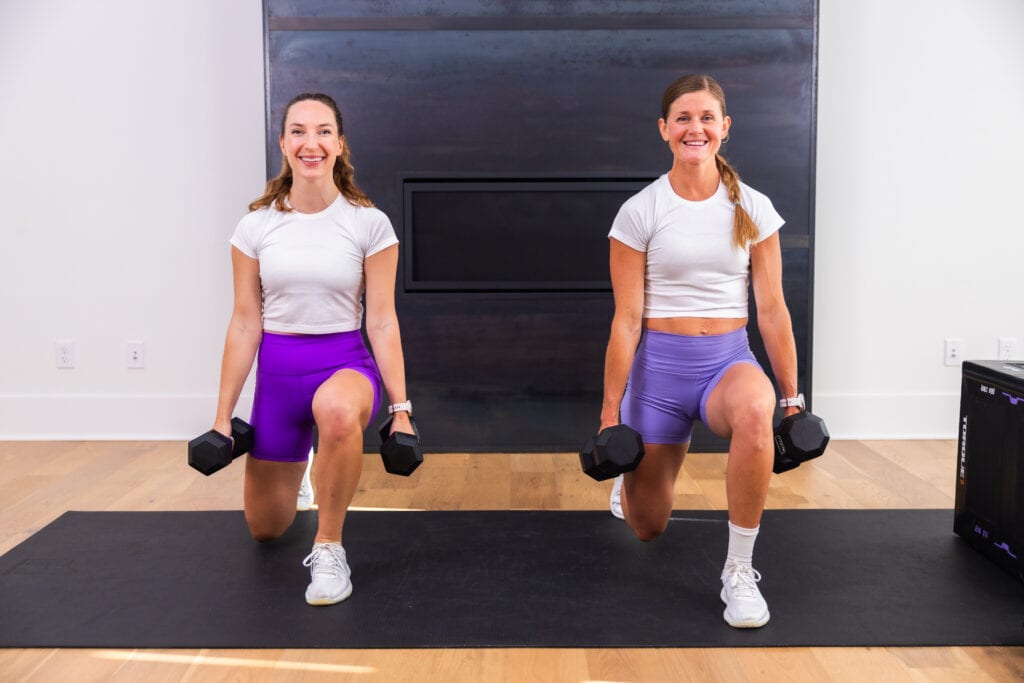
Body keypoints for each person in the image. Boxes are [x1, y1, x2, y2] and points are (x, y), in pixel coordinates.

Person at [600, 74, 802, 628]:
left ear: (725, 128)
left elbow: (773, 310)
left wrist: (792, 398)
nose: (696, 128)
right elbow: (627, 319)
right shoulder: (641, 211)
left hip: (727, 364)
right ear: (665, 130)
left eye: (707, 118)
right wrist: (610, 415)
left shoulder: (753, 207)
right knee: (648, 526)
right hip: (659, 375)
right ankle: (629, 484)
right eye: (684, 118)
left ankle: (738, 570)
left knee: (756, 414)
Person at [211, 92, 414, 606]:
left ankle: (329, 549)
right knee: (266, 527)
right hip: (279, 378)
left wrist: (401, 409)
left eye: (323, 131)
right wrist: (221, 417)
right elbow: (243, 323)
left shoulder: (369, 224)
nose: (311, 142)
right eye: (298, 131)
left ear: (340, 145)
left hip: (344, 364)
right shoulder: (255, 227)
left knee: (338, 412)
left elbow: (383, 320)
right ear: (283, 144)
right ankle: (305, 469)